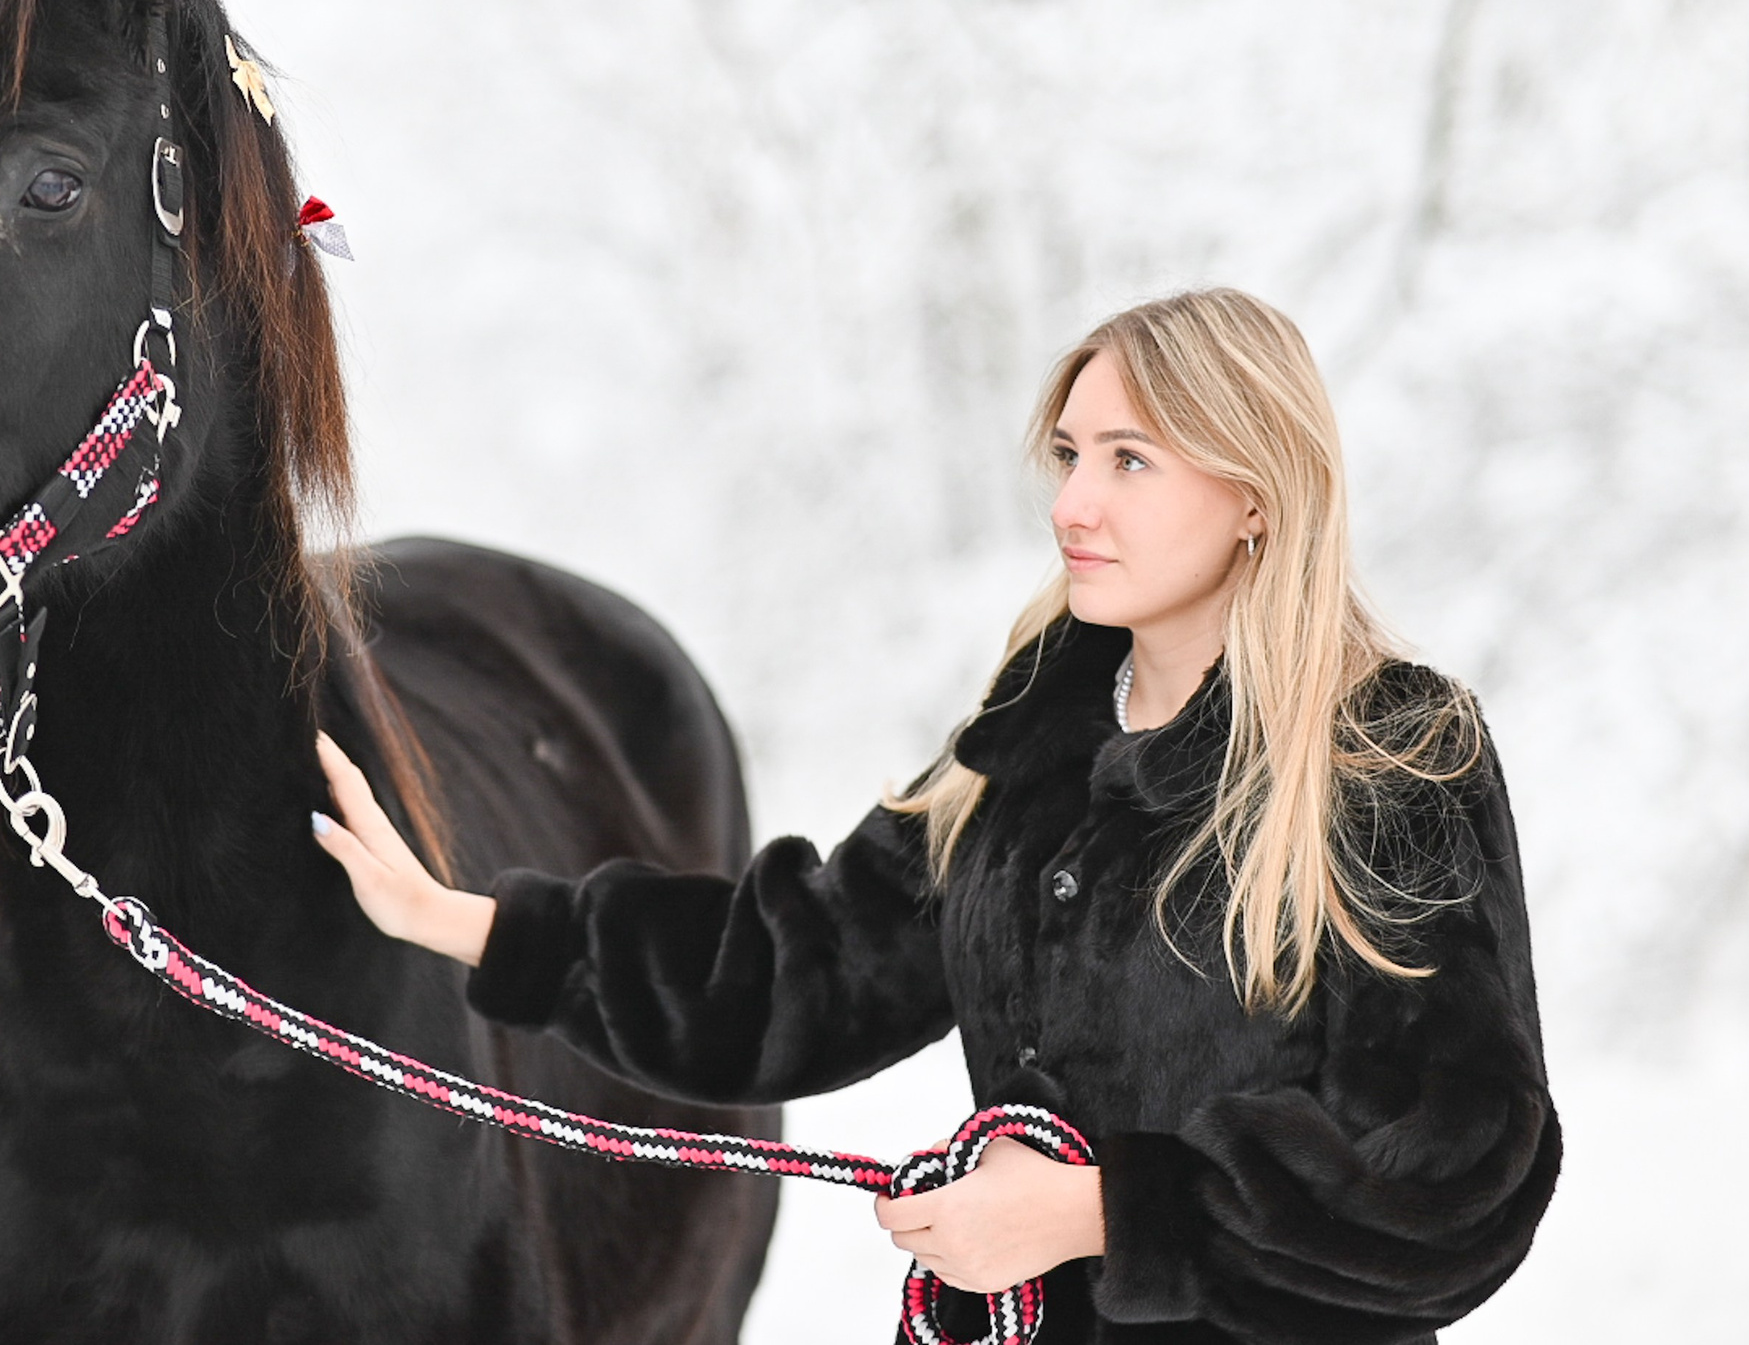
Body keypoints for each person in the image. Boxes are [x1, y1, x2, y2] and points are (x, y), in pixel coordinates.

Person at [310, 288, 1557, 1343]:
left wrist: (1100, 1211)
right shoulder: (1034, 739)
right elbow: (794, 967)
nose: (1074, 502)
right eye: (1069, 454)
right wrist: (473, 922)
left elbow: (1456, 1161)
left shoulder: (1391, 756)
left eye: (1131, 459)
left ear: (1255, 494)